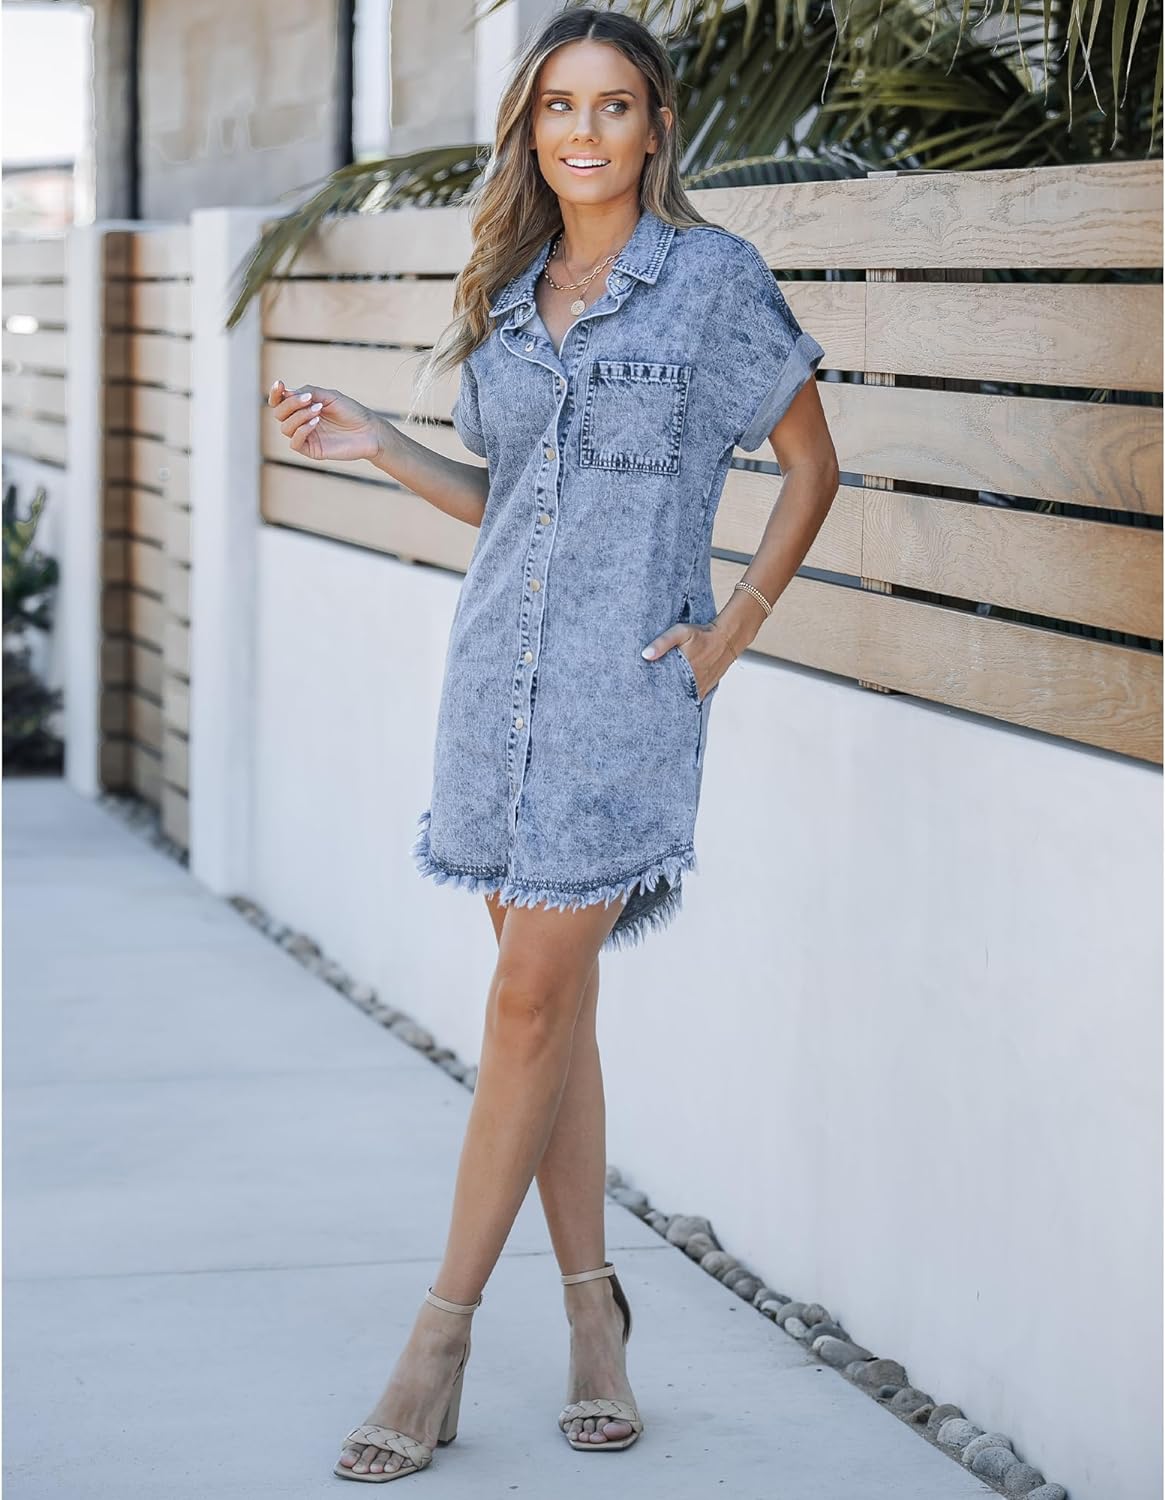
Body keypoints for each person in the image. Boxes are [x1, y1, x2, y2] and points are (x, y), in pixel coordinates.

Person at [268, 4, 838, 1484]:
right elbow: (511, 500)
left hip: (620, 701)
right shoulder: (511, 290)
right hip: (493, 691)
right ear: (532, 131)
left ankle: (438, 1340)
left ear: (656, 127)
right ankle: (595, 1316)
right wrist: (377, 444)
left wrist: (728, 632)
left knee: (524, 1008)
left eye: (612, 105)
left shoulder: (711, 282)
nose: (583, 132)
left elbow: (810, 466)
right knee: (553, 1011)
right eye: (558, 108)